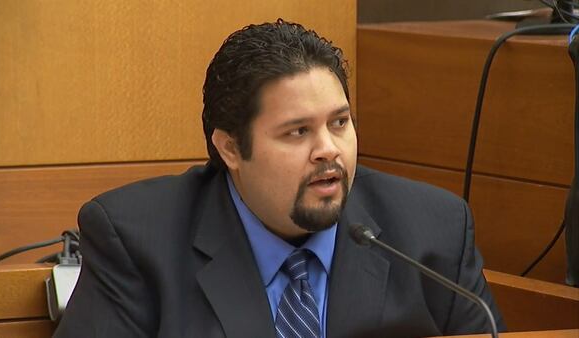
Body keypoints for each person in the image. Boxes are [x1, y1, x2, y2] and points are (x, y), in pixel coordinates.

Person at [54, 19, 505, 338]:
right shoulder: (138, 239)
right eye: (297, 131)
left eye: (340, 123)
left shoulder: (432, 230)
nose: (328, 148)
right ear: (230, 147)